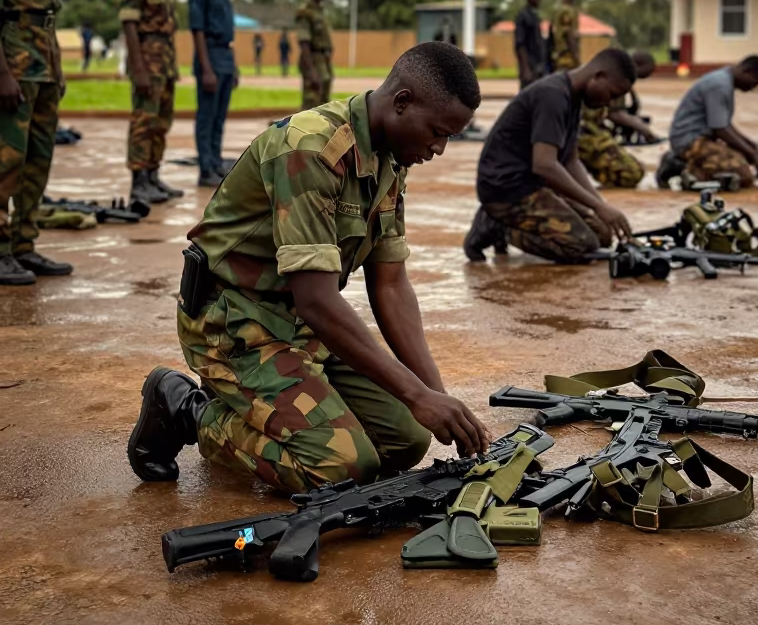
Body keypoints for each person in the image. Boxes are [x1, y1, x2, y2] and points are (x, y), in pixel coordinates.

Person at [126, 42, 491, 492]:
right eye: (438, 132)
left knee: (406, 440)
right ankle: (187, 409)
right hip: (233, 323)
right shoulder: (312, 148)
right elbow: (316, 299)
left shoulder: (389, 157)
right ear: (401, 102)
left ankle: (263, 412)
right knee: (340, 468)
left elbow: (391, 284)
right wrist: (416, 395)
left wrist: (435, 396)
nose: (439, 148)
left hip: (299, 327)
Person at [463, 49, 635, 264]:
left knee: (602, 236)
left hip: (531, 187)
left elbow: (571, 161)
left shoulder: (572, 98)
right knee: (581, 245)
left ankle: (505, 221)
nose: (609, 103)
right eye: (612, 94)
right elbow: (544, 165)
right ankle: (501, 227)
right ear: (598, 76)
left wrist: (599, 207)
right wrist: (598, 207)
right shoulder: (553, 96)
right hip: (507, 189)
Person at [0, 0, 73, 285]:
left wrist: (59, 67)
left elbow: (47, 8)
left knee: (38, 158)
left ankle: (25, 245)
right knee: (7, 158)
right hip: (15, 57)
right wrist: (3, 73)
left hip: (44, 56)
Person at [120, 0, 184, 205]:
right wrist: (139, 67)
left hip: (166, 62)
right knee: (143, 121)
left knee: (161, 121)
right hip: (147, 59)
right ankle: (138, 181)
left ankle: (153, 175)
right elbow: (129, 25)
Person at [658, 55, 758, 190]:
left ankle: (691, 170)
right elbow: (720, 128)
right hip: (690, 141)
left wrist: (753, 147)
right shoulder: (719, 85)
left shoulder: (724, 81)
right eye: (754, 82)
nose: (752, 88)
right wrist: (751, 153)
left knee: (736, 162)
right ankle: (678, 167)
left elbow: (725, 125)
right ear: (746, 71)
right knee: (742, 175)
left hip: (700, 139)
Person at [188, 0, 240, 188]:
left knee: (220, 117)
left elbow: (230, 35)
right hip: (210, 55)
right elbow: (197, 30)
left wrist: (235, 66)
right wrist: (206, 68)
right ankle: (205, 167)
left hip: (225, 56)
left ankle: (216, 162)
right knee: (206, 117)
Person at [577, 50, 657, 188]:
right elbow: (615, 114)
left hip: (586, 131)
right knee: (631, 173)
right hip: (584, 134)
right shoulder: (616, 77)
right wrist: (643, 129)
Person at [296, 0, 333, 111]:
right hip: (313, 59)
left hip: (324, 61)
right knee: (311, 103)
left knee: (323, 105)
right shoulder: (306, 12)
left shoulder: (320, 11)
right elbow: (304, 42)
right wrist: (311, 71)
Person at [514, 0, 545, 89]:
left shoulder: (534, 15)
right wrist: (525, 68)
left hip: (537, 66)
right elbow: (520, 44)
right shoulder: (523, 16)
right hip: (529, 66)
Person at [550, 0, 581, 71]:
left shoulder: (560, 9)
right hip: (567, 57)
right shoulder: (566, 11)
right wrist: (576, 57)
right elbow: (568, 34)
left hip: (561, 55)